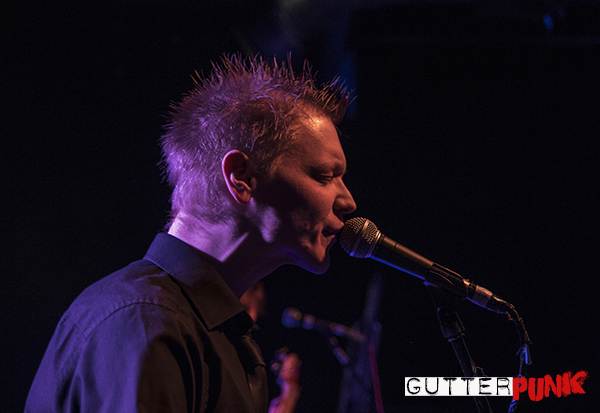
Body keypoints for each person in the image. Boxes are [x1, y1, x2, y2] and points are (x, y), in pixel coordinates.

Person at [25, 54, 356, 412]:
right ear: (241, 177)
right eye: (325, 176)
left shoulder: (213, 333)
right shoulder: (147, 321)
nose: (348, 201)